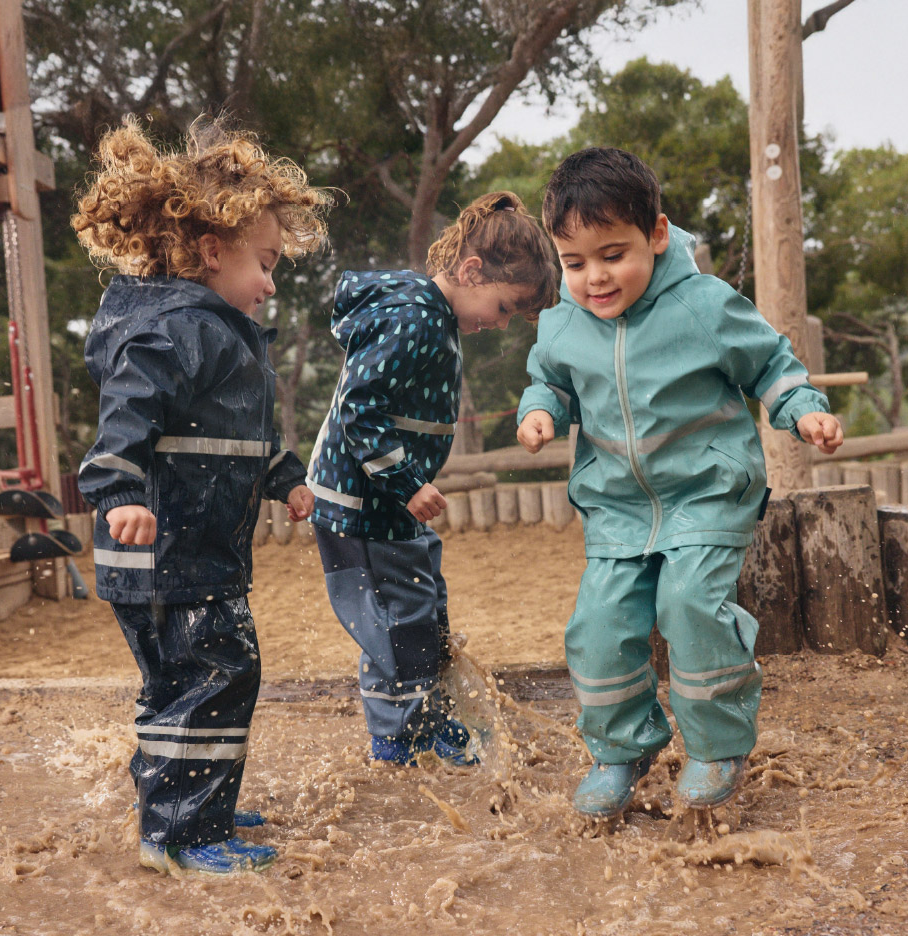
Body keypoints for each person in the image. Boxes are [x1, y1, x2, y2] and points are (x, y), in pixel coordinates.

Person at [517, 147, 844, 817]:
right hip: (617, 507)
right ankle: (621, 749)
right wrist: (540, 411)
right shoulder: (562, 323)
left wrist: (802, 408)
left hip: (707, 492)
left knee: (689, 604)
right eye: (574, 263)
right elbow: (549, 380)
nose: (594, 277)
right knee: (598, 627)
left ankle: (717, 746)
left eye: (613, 254)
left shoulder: (703, 305)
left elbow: (770, 363)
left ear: (657, 235)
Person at [72, 116, 332, 873]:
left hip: (179, 554)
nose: (271, 283)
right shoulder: (179, 331)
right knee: (220, 672)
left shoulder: (215, 332)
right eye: (265, 263)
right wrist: (119, 488)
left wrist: (285, 477)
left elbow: (241, 431)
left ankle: (180, 801)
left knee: (179, 683)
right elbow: (126, 412)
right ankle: (183, 834)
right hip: (172, 552)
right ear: (213, 252)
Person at [308, 191, 558, 766]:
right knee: (396, 614)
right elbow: (360, 408)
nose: (499, 324)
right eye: (503, 307)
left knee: (420, 601)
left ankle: (423, 717)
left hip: (385, 499)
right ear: (471, 271)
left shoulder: (432, 315)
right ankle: (401, 737)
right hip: (362, 501)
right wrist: (407, 483)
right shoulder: (414, 316)